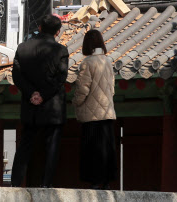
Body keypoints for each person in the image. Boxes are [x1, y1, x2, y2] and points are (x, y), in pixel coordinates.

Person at [11, 14, 69, 188]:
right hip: (53, 106)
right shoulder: (61, 51)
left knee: (25, 144)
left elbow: (16, 76)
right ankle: (46, 184)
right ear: (58, 32)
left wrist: (32, 94)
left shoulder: (22, 48)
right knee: (51, 146)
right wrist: (43, 94)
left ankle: (15, 182)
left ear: (40, 28)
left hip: (30, 106)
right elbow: (61, 79)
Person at [73, 29, 117, 189]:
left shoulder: (87, 63)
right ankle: (106, 180)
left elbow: (83, 89)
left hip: (91, 114)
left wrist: (75, 102)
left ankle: (95, 181)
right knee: (106, 147)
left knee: (92, 149)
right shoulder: (108, 61)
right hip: (107, 111)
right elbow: (112, 88)